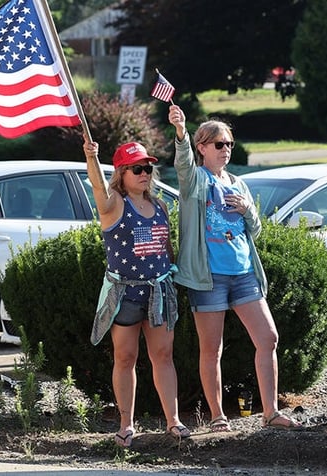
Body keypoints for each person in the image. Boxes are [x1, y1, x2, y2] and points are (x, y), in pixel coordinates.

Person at [168, 104, 301, 432]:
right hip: (208, 277)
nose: (226, 150)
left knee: (268, 337)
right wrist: (181, 131)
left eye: (229, 144)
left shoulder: (238, 183)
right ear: (202, 147)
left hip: (243, 273)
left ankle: (270, 412)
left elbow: (255, 230)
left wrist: (247, 210)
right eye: (219, 144)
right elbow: (183, 166)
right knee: (212, 349)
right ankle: (217, 417)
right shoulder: (196, 180)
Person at [83, 137, 189, 448]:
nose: (144, 173)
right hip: (126, 295)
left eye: (147, 168)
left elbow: (166, 248)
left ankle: (174, 421)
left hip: (158, 292)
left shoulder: (159, 206)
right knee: (125, 357)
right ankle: (126, 425)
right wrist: (92, 159)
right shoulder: (114, 204)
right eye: (136, 169)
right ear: (121, 173)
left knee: (163, 356)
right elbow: (98, 190)